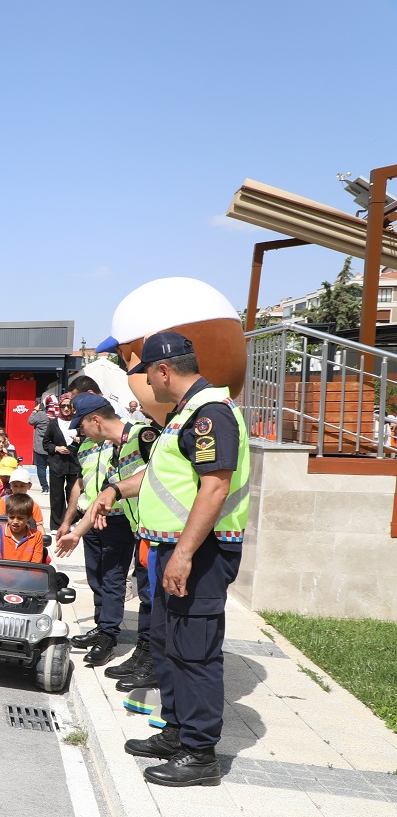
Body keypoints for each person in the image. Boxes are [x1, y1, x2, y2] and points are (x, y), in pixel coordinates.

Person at [62, 331, 249, 788]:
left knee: (195, 653)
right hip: (170, 550)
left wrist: (184, 554)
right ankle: (177, 731)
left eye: (146, 373)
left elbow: (215, 486)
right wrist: (114, 489)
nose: (144, 383)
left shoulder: (211, 415)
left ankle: (200, 753)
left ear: (164, 371)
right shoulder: (182, 415)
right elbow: (158, 475)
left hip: (200, 553)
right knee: (167, 645)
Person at [54, 392, 157, 671]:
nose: (78, 430)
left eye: (81, 424)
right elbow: (82, 483)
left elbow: (154, 476)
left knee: (114, 579)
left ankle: (110, 636)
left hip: (123, 520)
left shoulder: (140, 436)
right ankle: (102, 627)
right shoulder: (89, 444)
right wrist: (70, 521)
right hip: (92, 518)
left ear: (96, 420)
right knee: (96, 577)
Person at [41, 393, 81, 532]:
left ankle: (72, 521)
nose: (66, 409)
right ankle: (56, 524)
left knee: (73, 493)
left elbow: (87, 439)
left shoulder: (79, 422)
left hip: (74, 463)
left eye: (68, 406)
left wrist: (78, 441)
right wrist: (56, 448)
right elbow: (46, 443)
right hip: (57, 463)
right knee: (57, 495)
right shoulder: (53, 424)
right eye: (63, 405)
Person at [0, 494, 50, 563]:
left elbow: (35, 564)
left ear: (29, 517)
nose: (15, 522)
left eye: (20, 518)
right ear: (7, 515)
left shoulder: (36, 536)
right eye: (11, 517)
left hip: (28, 573)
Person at [28, 395, 56, 494]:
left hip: (40, 446)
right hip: (53, 446)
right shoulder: (57, 415)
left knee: (41, 467)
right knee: (54, 468)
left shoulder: (41, 415)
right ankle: (55, 487)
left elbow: (30, 421)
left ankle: (45, 487)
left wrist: (35, 410)